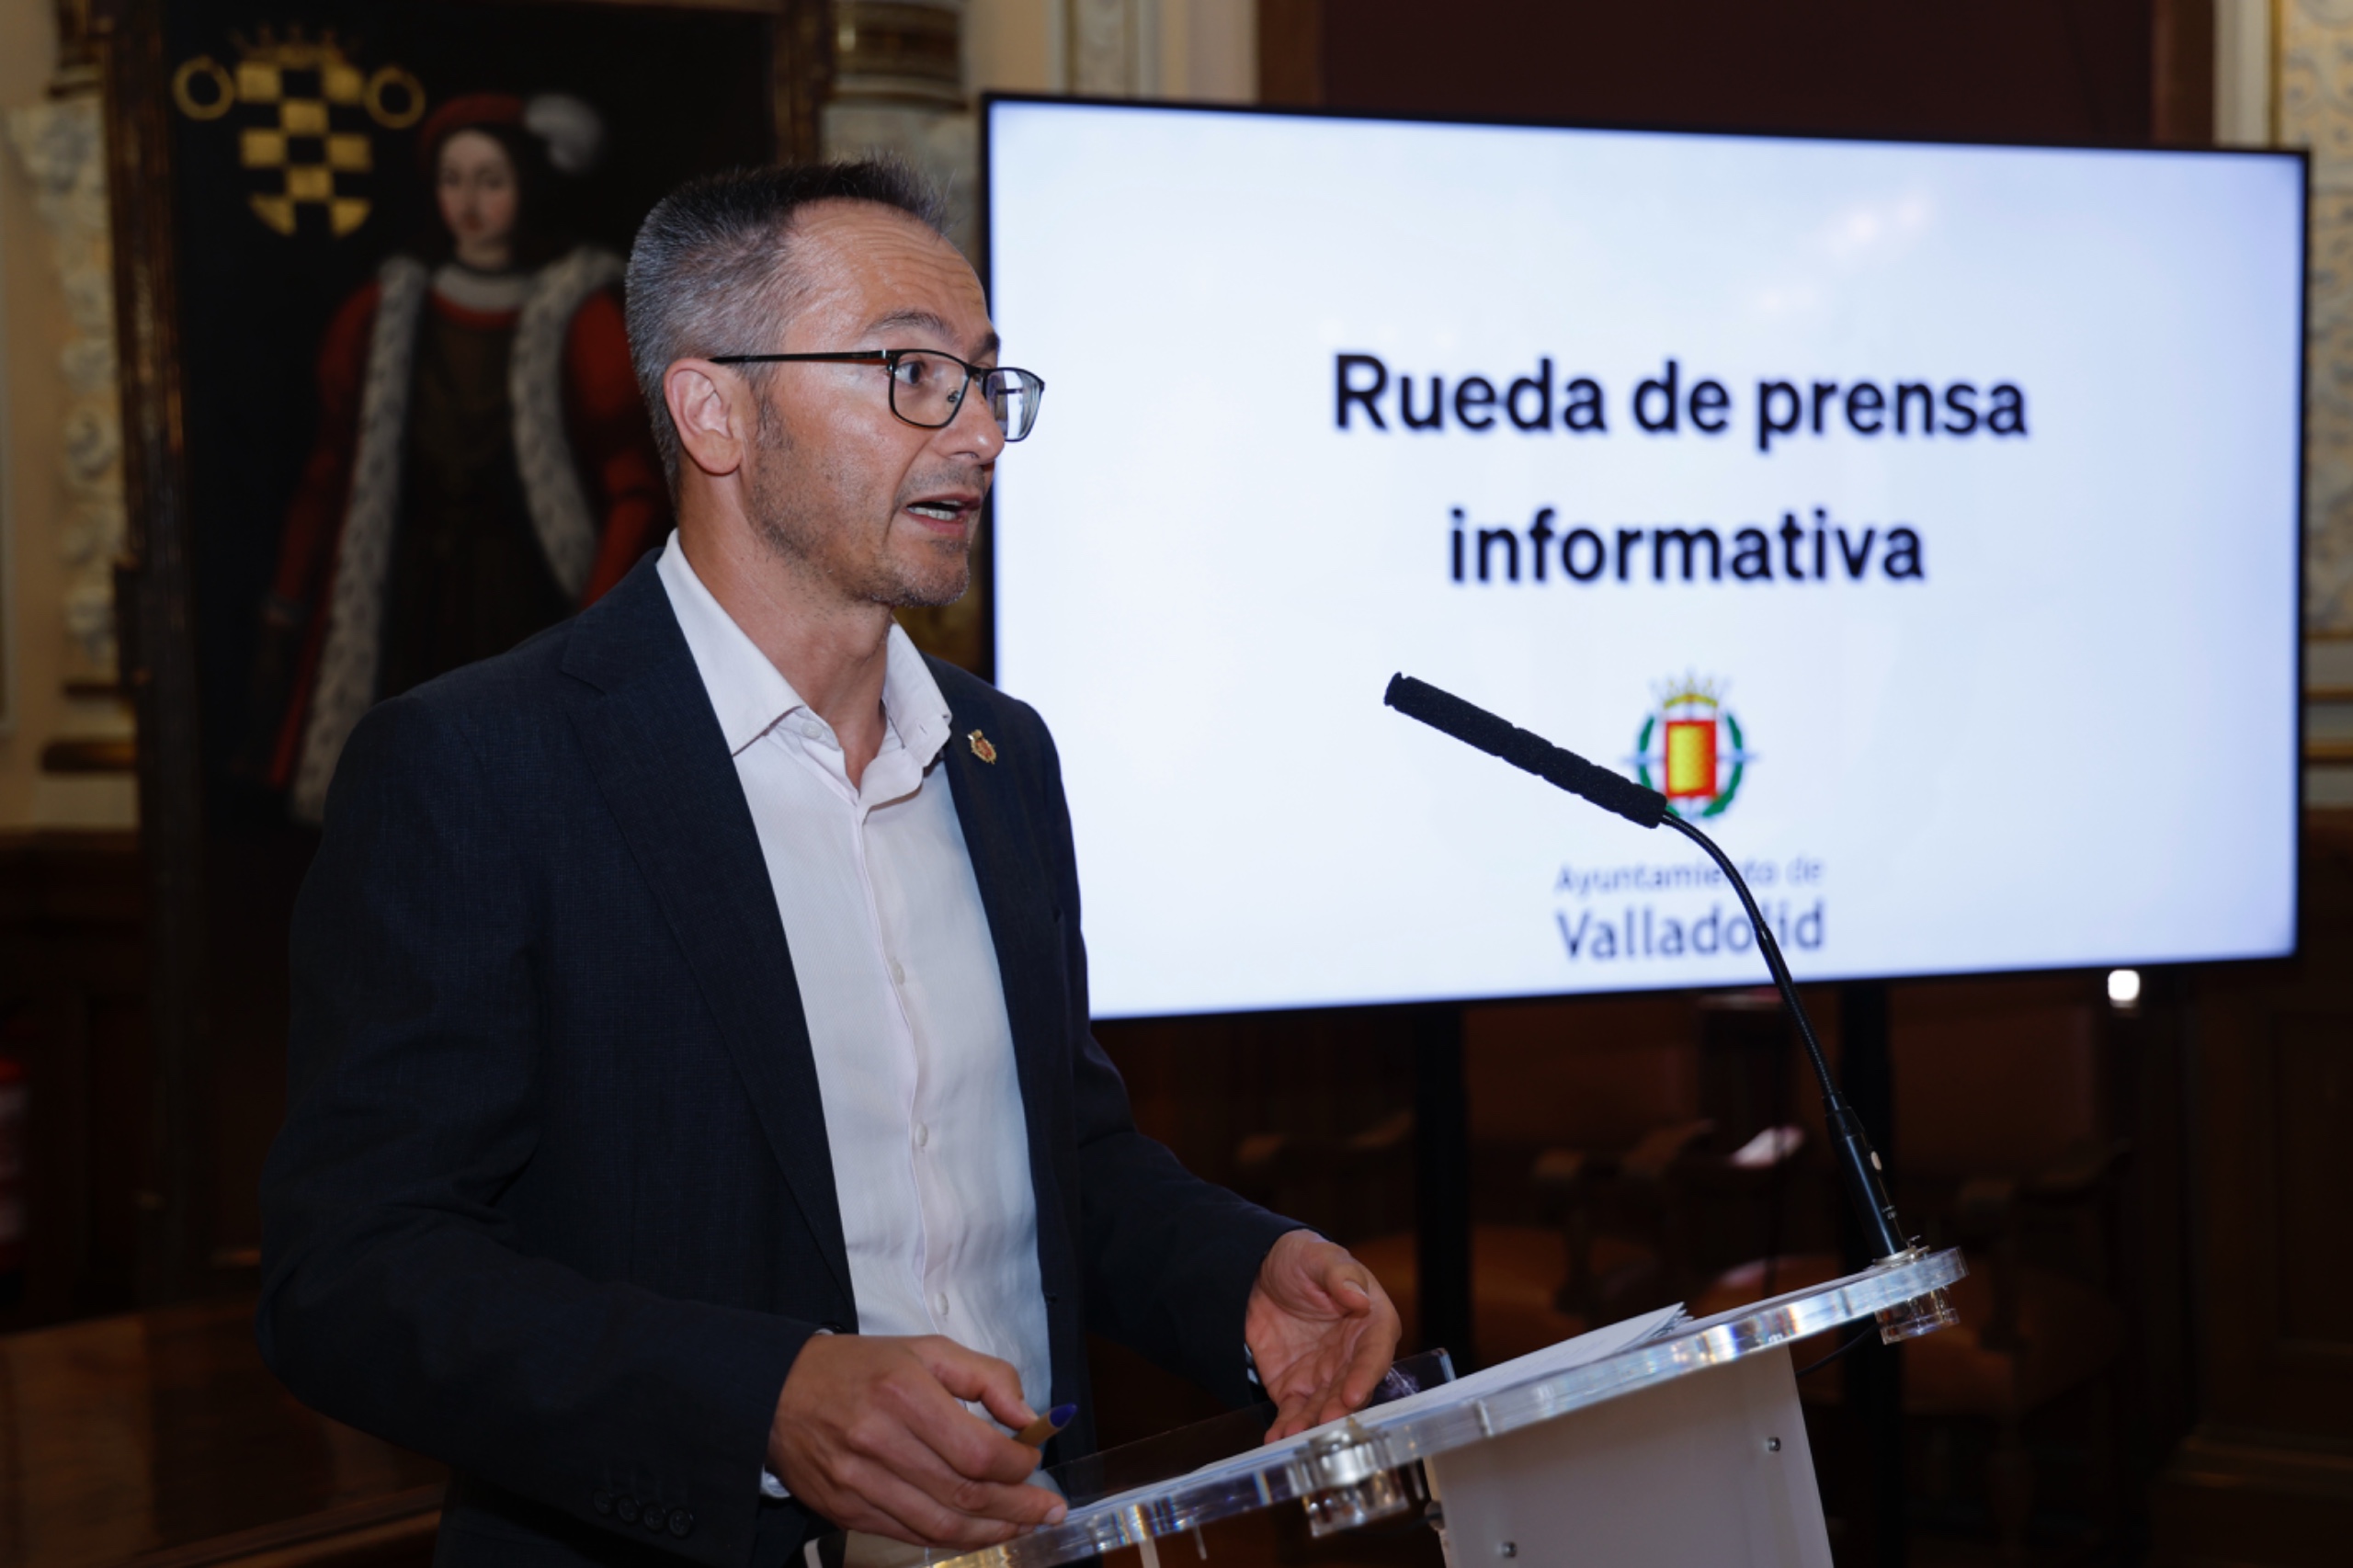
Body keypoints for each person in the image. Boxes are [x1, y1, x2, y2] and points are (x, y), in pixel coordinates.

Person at [256, 160, 1402, 1568]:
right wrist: (763, 1401)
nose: (979, 431)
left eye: (986, 380)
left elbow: (1051, 1158)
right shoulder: (483, 767)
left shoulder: (1000, 756)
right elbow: (353, 1277)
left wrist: (1237, 1275)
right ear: (714, 411)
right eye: (913, 373)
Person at [252, 92, 668, 824]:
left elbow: (634, 487)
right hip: (405, 593)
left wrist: (598, 619)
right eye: (453, 180)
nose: (469, 203)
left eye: (490, 180)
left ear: (527, 186)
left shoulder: (580, 311)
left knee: (525, 795)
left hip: (526, 596)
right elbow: (329, 469)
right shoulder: (384, 310)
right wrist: (287, 594)